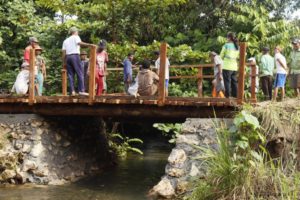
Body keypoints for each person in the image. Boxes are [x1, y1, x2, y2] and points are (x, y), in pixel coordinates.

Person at [62, 27, 94, 96]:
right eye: (77, 31)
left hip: (68, 57)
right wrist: (89, 45)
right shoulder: (75, 37)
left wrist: (64, 62)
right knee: (80, 73)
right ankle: (81, 90)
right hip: (75, 56)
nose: (78, 32)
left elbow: (64, 53)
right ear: (75, 32)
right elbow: (80, 43)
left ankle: (72, 91)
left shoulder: (65, 40)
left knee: (70, 75)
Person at [220, 32, 239, 98]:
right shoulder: (237, 46)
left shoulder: (226, 45)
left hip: (227, 66)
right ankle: (235, 96)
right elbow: (239, 56)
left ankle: (227, 96)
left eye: (227, 37)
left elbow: (221, 55)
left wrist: (224, 58)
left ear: (229, 38)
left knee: (227, 82)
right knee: (234, 82)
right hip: (234, 67)